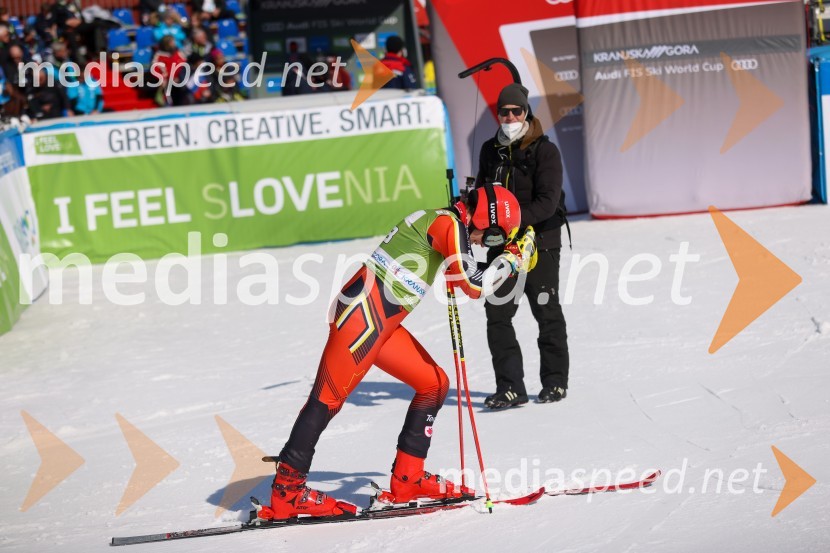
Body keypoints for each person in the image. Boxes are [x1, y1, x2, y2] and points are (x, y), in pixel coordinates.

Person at [255, 185, 536, 520]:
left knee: (433, 383)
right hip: (364, 318)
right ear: (482, 220)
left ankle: (408, 479)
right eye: (490, 237)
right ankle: (286, 496)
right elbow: (475, 286)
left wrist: (500, 256)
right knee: (326, 401)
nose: (482, 244)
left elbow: (460, 271)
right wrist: (513, 258)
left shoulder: (447, 224)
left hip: (378, 320)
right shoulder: (447, 225)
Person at [475, 82, 570, 409]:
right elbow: (483, 198)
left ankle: (555, 382)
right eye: (505, 112)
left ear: (526, 112)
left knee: (546, 312)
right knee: (497, 316)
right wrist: (470, 218)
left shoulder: (546, 150)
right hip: (502, 249)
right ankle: (510, 387)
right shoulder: (490, 149)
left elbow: (547, 202)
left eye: (516, 111)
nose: (511, 116)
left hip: (540, 244)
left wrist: (508, 222)